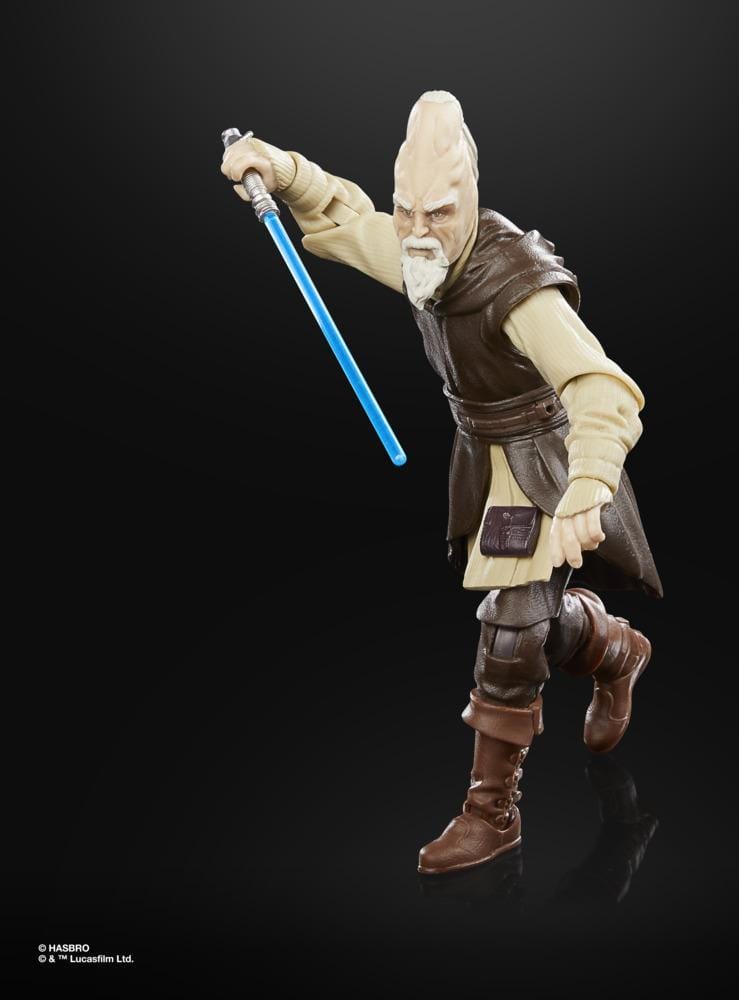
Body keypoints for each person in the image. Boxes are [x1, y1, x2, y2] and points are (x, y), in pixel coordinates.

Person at [221, 91, 662, 875]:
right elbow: (346, 215)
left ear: (470, 203)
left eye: (439, 214)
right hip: (483, 457)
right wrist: (281, 170)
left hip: (545, 464)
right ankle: (611, 647)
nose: (418, 231)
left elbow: (602, 385)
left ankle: (490, 814)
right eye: (409, 212)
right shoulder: (417, 252)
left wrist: (590, 484)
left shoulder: (517, 286)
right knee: (528, 622)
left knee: (509, 632)